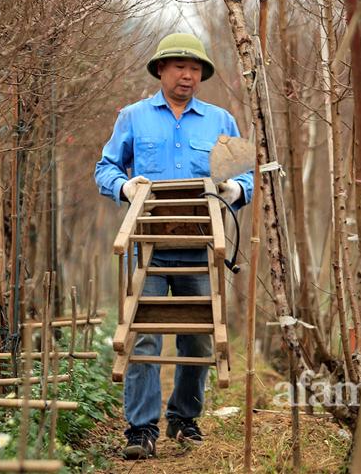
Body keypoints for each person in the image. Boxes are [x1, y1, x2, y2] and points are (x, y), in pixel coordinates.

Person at [94, 32, 254, 460]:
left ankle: (184, 418)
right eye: (180, 66)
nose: (188, 75)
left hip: (202, 249)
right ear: (161, 70)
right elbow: (105, 168)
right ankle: (141, 430)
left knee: (199, 340)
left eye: (196, 68)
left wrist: (234, 190)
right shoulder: (133, 117)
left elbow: (246, 176)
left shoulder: (220, 121)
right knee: (143, 337)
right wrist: (125, 186)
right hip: (148, 245)